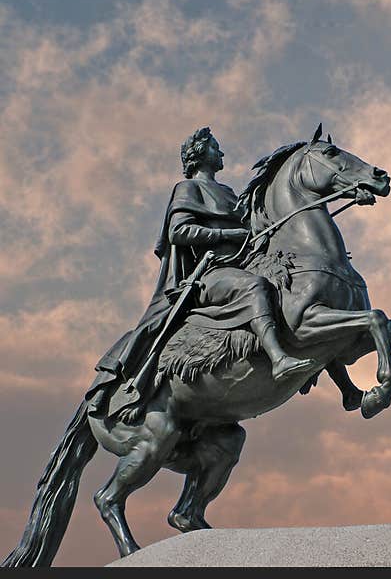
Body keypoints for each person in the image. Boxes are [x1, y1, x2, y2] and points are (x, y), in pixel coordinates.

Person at [86, 127, 314, 421]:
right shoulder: (188, 188)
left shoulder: (229, 193)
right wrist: (226, 233)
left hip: (239, 265)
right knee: (255, 287)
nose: (221, 153)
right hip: (210, 273)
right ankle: (278, 358)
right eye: (215, 148)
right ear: (198, 154)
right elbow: (178, 231)